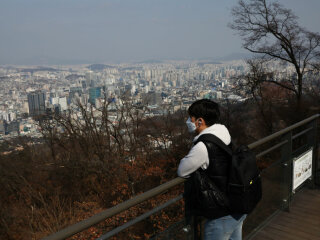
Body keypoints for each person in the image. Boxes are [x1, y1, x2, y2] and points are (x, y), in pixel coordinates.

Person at [177, 99, 246, 240]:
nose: (188, 122)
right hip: (237, 204)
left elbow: (182, 171)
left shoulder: (203, 146)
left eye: (191, 118)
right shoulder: (223, 133)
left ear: (200, 121)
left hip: (221, 214)